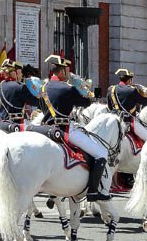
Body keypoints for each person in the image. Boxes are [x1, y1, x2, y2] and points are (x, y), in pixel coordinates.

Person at [40, 54, 110, 202]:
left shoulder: (43, 87)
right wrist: (82, 88)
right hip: (65, 129)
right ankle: (92, 191)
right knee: (101, 153)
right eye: (67, 70)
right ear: (62, 71)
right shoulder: (68, 88)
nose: (69, 73)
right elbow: (86, 103)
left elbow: (41, 106)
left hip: (46, 129)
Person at [107, 68, 147, 144]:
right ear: (129, 80)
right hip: (128, 121)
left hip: (114, 121)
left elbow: (110, 107)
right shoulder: (132, 90)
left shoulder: (111, 89)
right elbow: (145, 102)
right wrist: (143, 92)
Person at [0, 60, 37, 131]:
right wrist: (37, 91)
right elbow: (36, 102)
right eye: (20, 72)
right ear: (14, 72)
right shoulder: (20, 87)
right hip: (16, 125)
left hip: (0, 124)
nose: (22, 75)